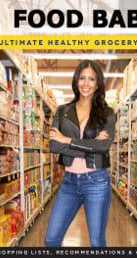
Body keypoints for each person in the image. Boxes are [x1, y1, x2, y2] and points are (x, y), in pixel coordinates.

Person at [45, 60, 116, 247]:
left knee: (97, 242)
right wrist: (90, 145)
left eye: (91, 79)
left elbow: (103, 147)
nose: (86, 83)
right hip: (69, 182)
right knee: (51, 239)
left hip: (97, 182)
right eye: (82, 78)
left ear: (98, 83)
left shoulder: (107, 114)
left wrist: (67, 140)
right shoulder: (63, 111)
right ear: (76, 80)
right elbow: (54, 145)